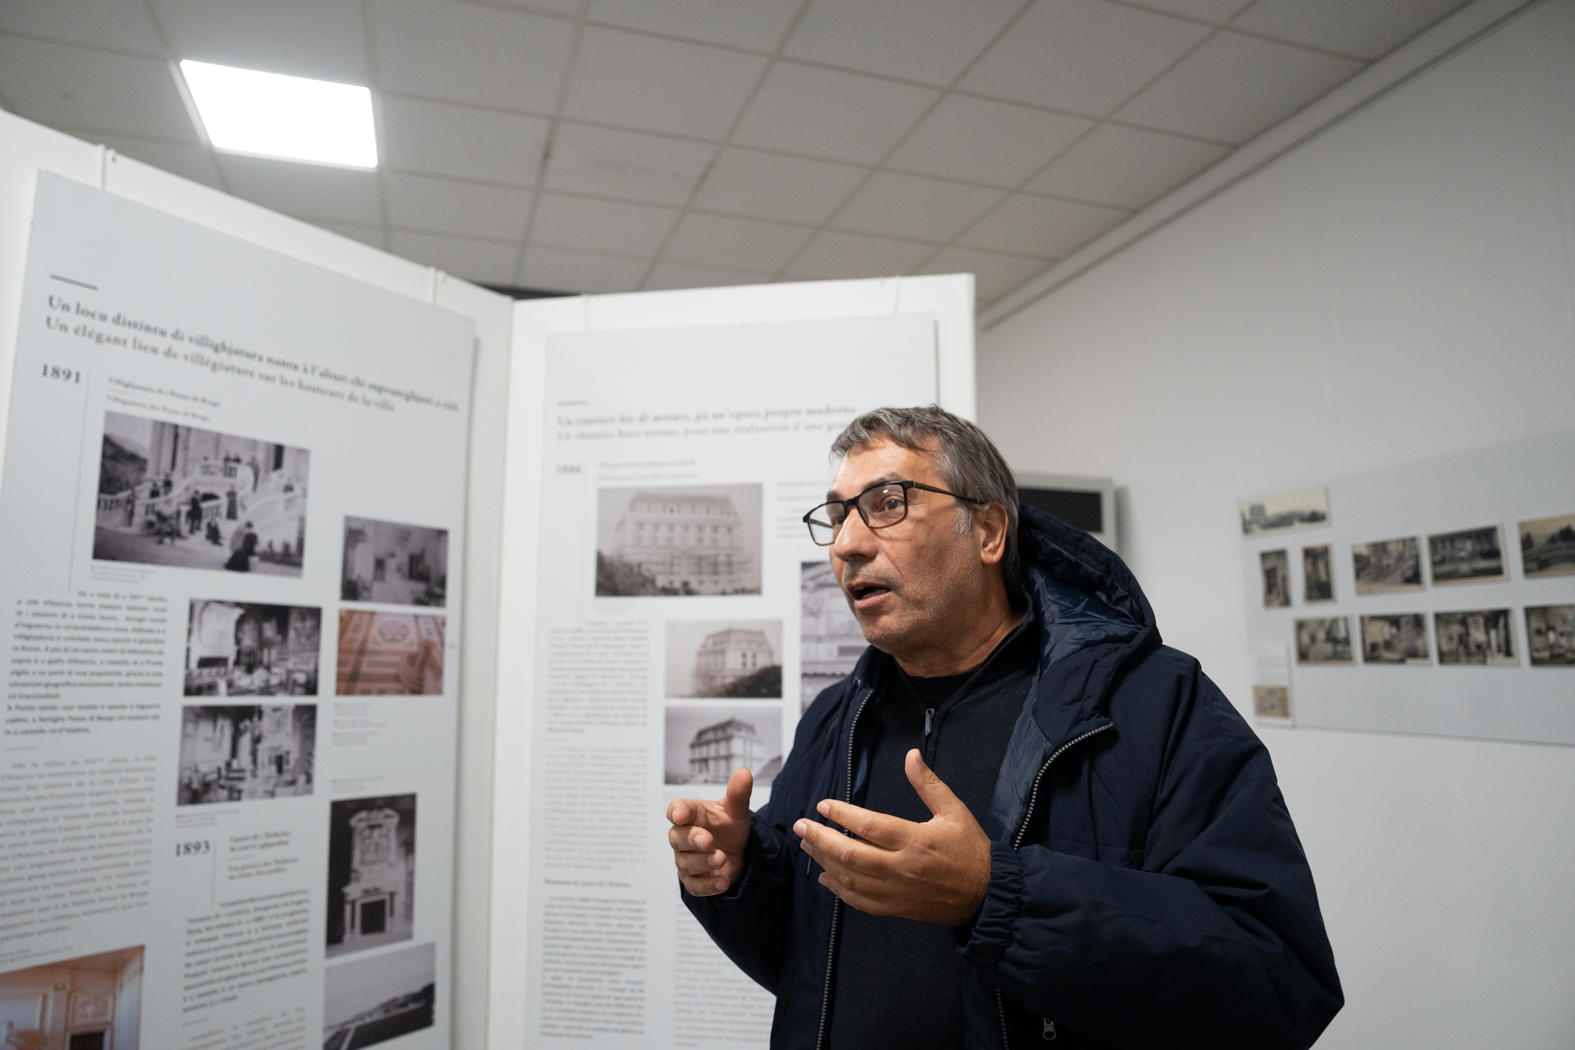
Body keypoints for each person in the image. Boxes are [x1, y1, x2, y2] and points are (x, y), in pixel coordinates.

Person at [669, 406, 1341, 1049]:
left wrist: (996, 894)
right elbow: (805, 963)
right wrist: (741, 877)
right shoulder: (837, 718)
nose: (846, 544)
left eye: (887, 504)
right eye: (837, 516)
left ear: (987, 531)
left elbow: (1277, 981)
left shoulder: (1151, 701)